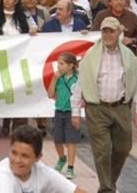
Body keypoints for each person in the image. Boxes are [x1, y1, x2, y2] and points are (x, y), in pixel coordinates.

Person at [71, 17, 137, 193]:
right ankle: (106, 189)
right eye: (105, 31)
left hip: (121, 107)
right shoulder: (91, 55)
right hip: (97, 108)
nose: (108, 34)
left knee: (124, 148)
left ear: (119, 32)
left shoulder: (129, 56)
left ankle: (109, 181)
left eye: (111, 31)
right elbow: (81, 83)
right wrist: (75, 111)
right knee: (102, 151)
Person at [0, 125, 85, 193]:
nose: (17, 160)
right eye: (14, 153)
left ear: (38, 157)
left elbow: (76, 191)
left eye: (25, 156)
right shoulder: (2, 178)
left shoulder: (42, 171)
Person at [46, 52, 80, 180]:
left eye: (61, 64)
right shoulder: (58, 78)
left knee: (71, 140)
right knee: (57, 139)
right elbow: (50, 94)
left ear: (71, 65)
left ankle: (70, 167)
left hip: (72, 112)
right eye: (58, 63)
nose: (58, 66)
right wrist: (54, 79)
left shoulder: (78, 78)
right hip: (59, 111)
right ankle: (62, 158)